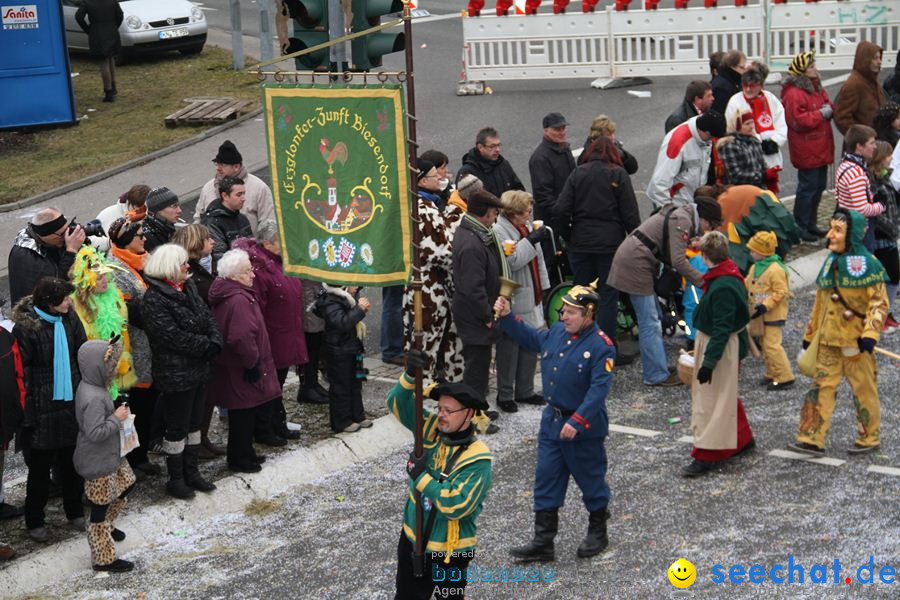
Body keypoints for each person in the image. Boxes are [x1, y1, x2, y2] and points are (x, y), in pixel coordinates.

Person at [496, 281, 613, 561]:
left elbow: (598, 390)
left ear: (589, 314)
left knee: (591, 481)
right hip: (552, 423)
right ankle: (543, 542)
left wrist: (579, 420)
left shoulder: (602, 347)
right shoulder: (558, 332)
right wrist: (507, 316)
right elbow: (532, 339)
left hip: (582, 429)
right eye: (564, 310)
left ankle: (599, 531)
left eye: (572, 312)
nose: (563, 317)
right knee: (546, 479)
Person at [388, 352, 492, 600]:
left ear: (468, 414)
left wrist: (421, 478)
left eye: (448, 410)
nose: (441, 414)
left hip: (450, 552)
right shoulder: (432, 428)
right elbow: (396, 402)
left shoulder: (478, 458)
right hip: (413, 539)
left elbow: (456, 504)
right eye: (439, 408)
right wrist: (411, 375)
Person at [789, 209, 889, 457]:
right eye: (831, 228)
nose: (830, 235)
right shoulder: (829, 263)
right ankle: (812, 438)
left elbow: (879, 303)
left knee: (864, 389)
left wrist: (870, 334)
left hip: (856, 342)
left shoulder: (870, 265)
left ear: (851, 235)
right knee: (820, 387)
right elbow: (820, 305)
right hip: (828, 340)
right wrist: (810, 335)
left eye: (837, 230)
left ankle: (869, 436)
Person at [607, 197, 723, 386]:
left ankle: (657, 366)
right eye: (709, 225)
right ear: (704, 218)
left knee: (653, 317)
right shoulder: (683, 220)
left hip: (634, 260)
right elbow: (678, 260)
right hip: (636, 264)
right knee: (650, 322)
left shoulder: (682, 215)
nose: (706, 229)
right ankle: (655, 375)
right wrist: (704, 282)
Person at [141, 244, 221, 499]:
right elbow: (171, 336)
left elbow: (207, 318)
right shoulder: (154, 298)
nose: (188, 266)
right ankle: (176, 479)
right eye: (183, 263)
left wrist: (214, 340)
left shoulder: (188, 287)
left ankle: (192, 472)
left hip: (198, 368)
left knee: (194, 423)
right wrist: (206, 346)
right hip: (176, 373)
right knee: (177, 428)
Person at [12, 277, 87, 542]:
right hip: (43, 406)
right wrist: (29, 413)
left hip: (71, 400)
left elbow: (81, 348)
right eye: (64, 299)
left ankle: (75, 510)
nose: (70, 302)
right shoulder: (26, 328)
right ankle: (34, 520)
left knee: (71, 463)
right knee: (41, 469)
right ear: (49, 303)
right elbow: (23, 372)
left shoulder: (68, 317)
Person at [554, 136, 641, 352]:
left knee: (579, 295)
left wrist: (570, 236)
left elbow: (560, 210)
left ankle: (576, 344)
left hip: (581, 244)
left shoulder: (578, 173)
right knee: (608, 297)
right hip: (610, 245)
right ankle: (605, 347)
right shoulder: (618, 174)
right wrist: (636, 243)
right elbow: (630, 215)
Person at [683, 231, 754, 477]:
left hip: (718, 345)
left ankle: (707, 455)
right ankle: (742, 438)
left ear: (704, 257)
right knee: (724, 395)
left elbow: (722, 329)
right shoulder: (727, 272)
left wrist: (707, 363)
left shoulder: (722, 285)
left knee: (710, 401)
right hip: (719, 342)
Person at [207, 249, 282, 472]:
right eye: (248, 271)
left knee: (245, 413)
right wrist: (253, 362)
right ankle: (239, 458)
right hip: (240, 367)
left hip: (235, 366)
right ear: (235, 275)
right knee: (243, 415)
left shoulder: (234, 294)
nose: (253, 275)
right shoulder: (239, 299)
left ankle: (246, 452)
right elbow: (240, 337)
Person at [233, 226, 309, 443]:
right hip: (273, 337)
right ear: (267, 244)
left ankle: (277, 424)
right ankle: (265, 429)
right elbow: (258, 309)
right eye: (280, 242)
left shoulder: (276, 262)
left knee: (278, 383)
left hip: (286, 333)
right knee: (269, 385)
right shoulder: (260, 270)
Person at [73, 339, 136, 573]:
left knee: (127, 483)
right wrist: (116, 418)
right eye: (111, 364)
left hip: (110, 455)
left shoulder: (95, 387)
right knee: (99, 508)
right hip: (97, 460)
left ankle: (107, 524)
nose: (116, 367)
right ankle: (103, 558)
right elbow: (95, 433)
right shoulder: (93, 397)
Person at [402, 175, 472, 384]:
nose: (441, 177)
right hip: (428, 292)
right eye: (435, 173)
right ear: (422, 180)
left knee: (437, 345)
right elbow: (439, 252)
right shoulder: (423, 208)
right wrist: (465, 261)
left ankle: (441, 396)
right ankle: (421, 400)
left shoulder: (423, 204)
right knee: (426, 348)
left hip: (428, 289)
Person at [105, 218, 160, 475]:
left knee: (148, 405)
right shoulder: (115, 270)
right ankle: (134, 460)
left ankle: (142, 454)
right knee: (136, 406)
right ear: (126, 240)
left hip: (149, 349)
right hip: (133, 353)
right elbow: (130, 313)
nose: (144, 239)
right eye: (139, 235)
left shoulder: (141, 261)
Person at [451, 189, 507, 419]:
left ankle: (478, 408)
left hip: (472, 313)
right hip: (475, 316)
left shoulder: (472, 233)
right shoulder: (473, 243)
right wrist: (487, 316)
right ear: (485, 213)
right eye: (494, 213)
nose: (495, 218)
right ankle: (473, 417)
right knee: (476, 370)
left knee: (479, 367)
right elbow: (473, 288)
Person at [492, 191, 549, 413]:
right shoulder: (500, 231)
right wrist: (530, 241)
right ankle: (505, 393)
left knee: (529, 342)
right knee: (509, 346)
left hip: (531, 291)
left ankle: (525, 390)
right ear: (514, 213)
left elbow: (539, 258)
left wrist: (543, 286)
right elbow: (512, 261)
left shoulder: (525, 227)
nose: (530, 214)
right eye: (526, 210)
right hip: (515, 294)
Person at [170, 224, 223, 458]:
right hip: (196, 346)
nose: (212, 242)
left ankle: (202, 438)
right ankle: (196, 441)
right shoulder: (188, 273)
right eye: (207, 239)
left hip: (207, 341)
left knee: (207, 395)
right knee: (197, 400)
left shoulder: (199, 270)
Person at [69, 245, 137, 399]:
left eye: (105, 275)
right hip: (99, 373)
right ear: (86, 281)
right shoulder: (77, 306)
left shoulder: (115, 295)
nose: (105, 280)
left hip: (121, 366)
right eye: (99, 277)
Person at [781, 51, 836, 242]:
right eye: (811, 66)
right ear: (802, 71)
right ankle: (801, 226)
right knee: (808, 188)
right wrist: (821, 114)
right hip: (807, 149)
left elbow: (828, 103)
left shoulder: (816, 86)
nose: (815, 68)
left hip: (820, 147)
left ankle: (810, 224)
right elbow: (796, 121)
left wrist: (826, 110)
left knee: (818, 186)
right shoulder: (794, 93)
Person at [314, 285, 372, 434]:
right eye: (353, 284)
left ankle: (357, 415)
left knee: (356, 382)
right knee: (341, 385)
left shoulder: (346, 295)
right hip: (338, 349)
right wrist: (359, 310)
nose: (356, 288)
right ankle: (342, 420)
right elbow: (342, 323)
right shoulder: (330, 300)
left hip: (353, 346)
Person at [725, 67, 788, 192]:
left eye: (752, 86)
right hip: (747, 159)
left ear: (760, 85)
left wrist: (775, 141)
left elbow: (781, 123)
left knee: (771, 195)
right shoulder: (735, 101)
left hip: (770, 156)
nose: (748, 89)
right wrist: (758, 141)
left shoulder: (770, 99)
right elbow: (732, 129)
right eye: (745, 85)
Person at [745, 231, 794, 390]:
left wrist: (765, 305)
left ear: (762, 252)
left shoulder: (776, 269)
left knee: (772, 346)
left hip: (773, 314)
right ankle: (772, 373)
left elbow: (781, 292)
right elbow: (747, 283)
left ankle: (785, 377)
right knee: (766, 345)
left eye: (753, 250)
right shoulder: (755, 267)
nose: (751, 253)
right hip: (760, 314)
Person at [646, 112, 726, 208]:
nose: (711, 140)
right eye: (710, 137)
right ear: (704, 130)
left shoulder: (704, 138)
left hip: (691, 203)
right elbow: (659, 183)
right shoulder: (677, 142)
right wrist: (669, 212)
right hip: (675, 204)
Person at [194, 140, 276, 235]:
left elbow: (269, 223)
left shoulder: (259, 188)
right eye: (217, 164)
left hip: (248, 247)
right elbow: (198, 220)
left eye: (223, 165)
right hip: (213, 247)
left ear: (236, 166)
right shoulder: (208, 188)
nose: (218, 168)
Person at [8, 208, 85, 305]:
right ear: (45, 234)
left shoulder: (47, 241)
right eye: (62, 233)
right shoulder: (27, 256)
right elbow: (55, 286)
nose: (66, 236)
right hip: (38, 315)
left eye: (67, 229)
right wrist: (71, 251)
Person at [836, 125, 883, 251]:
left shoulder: (845, 164)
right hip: (860, 231)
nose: (875, 147)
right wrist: (882, 206)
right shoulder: (856, 173)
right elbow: (862, 209)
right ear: (859, 146)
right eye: (871, 143)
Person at [869, 141, 900, 330]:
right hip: (882, 237)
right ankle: (882, 314)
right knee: (891, 275)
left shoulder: (886, 179)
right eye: (888, 156)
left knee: (892, 275)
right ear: (880, 159)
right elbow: (877, 213)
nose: (892, 159)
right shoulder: (874, 184)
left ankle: (884, 312)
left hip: (890, 235)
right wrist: (892, 228)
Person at [74, 0, 123, 103]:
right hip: (112, 32)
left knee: (104, 63)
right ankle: (113, 87)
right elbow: (120, 15)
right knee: (110, 58)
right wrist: (114, 27)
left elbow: (78, 16)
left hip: (97, 33)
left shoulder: (87, 2)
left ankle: (108, 92)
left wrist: (88, 29)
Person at [456, 127, 525, 199]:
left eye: (498, 145)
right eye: (492, 146)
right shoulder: (467, 172)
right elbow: (462, 202)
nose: (497, 150)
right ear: (480, 147)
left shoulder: (503, 164)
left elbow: (519, 190)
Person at [835, 41, 886, 136]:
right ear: (865, 60)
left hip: (876, 141)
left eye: (880, 58)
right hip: (863, 146)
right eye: (875, 58)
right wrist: (861, 138)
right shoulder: (854, 84)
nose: (880, 62)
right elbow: (842, 117)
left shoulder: (873, 79)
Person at [201, 175, 253, 267]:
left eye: (244, 193)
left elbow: (252, 247)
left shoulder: (242, 218)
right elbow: (219, 257)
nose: (243, 198)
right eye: (238, 194)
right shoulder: (212, 222)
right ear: (225, 196)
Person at [716, 110, 767, 187]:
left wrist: (768, 173)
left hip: (759, 187)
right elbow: (735, 175)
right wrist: (760, 176)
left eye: (752, 122)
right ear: (737, 126)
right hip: (741, 190)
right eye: (747, 124)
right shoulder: (730, 145)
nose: (751, 126)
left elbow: (762, 165)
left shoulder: (755, 141)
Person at [298, 278, 329, 405]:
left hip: (315, 289)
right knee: (310, 342)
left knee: (316, 342)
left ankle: (313, 383)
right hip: (308, 291)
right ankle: (306, 386)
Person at [92, 184, 149, 251]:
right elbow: (91, 241)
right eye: (139, 209)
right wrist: (111, 243)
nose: (142, 212)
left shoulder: (148, 213)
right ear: (132, 204)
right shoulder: (108, 215)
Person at [141, 187, 182, 253]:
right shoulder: (149, 237)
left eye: (178, 205)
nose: (180, 210)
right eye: (174, 206)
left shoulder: (165, 225)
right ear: (158, 210)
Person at [710, 50, 748, 115]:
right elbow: (720, 114)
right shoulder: (721, 87)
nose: (745, 71)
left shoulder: (734, 81)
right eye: (742, 67)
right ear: (732, 66)